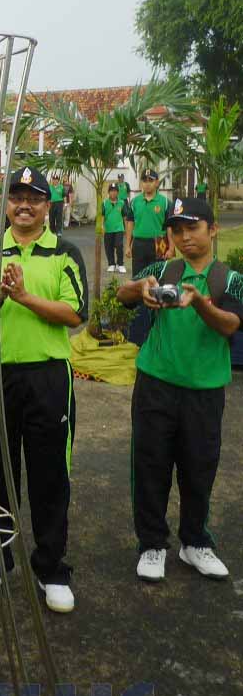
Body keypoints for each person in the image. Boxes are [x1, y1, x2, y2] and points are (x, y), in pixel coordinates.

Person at [0, 166, 88, 614]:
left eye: (33, 197)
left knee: (50, 474)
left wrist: (25, 296)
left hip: (48, 377)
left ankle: (51, 568)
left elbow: (74, 314)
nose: (24, 205)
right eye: (16, 197)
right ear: (5, 204)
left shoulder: (64, 253)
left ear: (47, 205)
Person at [118, 198, 241, 583]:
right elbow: (123, 296)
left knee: (199, 468)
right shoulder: (162, 269)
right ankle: (152, 544)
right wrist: (140, 288)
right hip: (156, 383)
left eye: (193, 227)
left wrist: (200, 303)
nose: (185, 236)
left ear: (212, 229)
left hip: (204, 390)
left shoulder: (229, 279)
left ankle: (194, 542)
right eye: (177, 229)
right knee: (150, 464)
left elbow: (229, 326)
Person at [127, 171, 169, 276]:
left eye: (151, 180)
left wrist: (171, 248)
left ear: (157, 183)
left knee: (158, 277)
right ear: (141, 183)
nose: (147, 184)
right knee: (138, 276)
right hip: (139, 242)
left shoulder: (165, 202)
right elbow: (130, 224)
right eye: (144, 181)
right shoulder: (134, 202)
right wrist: (128, 245)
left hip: (160, 242)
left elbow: (170, 226)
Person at [102, 183, 128, 273]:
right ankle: (111, 264)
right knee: (108, 247)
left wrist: (126, 229)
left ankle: (120, 264)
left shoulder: (121, 203)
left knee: (119, 245)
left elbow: (125, 216)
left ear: (118, 192)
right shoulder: (105, 203)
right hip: (108, 229)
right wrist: (102, 226)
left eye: (115, 191)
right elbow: (102, 216)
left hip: (119, 228)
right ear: (109, 192)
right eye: (111, 191)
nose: (113, 193)